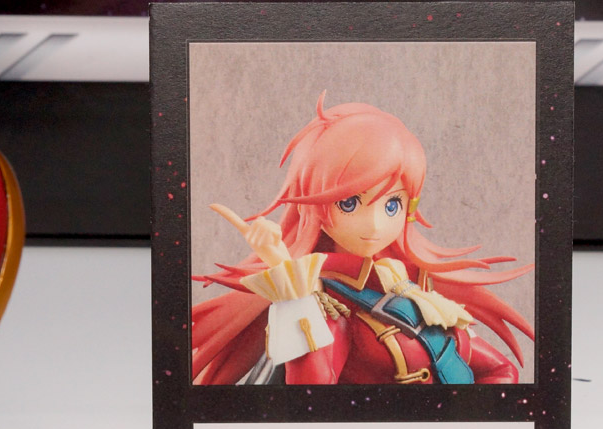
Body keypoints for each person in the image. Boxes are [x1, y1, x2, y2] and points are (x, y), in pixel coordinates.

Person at [192, 92, 533, 385]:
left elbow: (500, 370)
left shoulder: (414, 286)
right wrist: (292, 292)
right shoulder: (326, 303)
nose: (373, 224)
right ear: (315, 207)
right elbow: (309, 395)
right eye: (349, 203)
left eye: (392, 204)